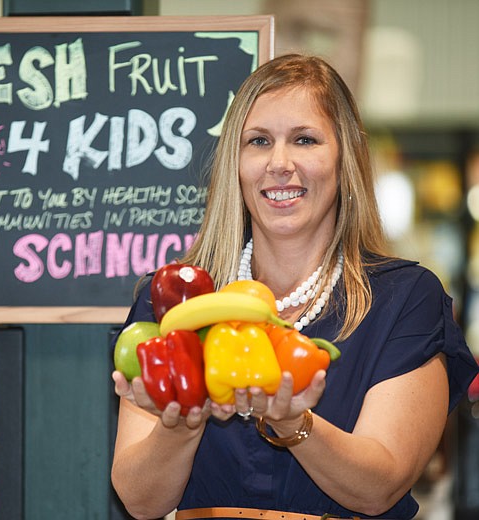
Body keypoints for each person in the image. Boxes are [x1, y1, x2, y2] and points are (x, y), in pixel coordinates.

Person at [110, 54, 479, 520]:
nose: (279, 164)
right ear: (235, 164)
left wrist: (292, 423)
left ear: (345, 158)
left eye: (304, 140)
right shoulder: (177, 299)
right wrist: (182, 423)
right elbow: (141, 501)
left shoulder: (404, 298)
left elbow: (378, 488)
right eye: (259, 141)